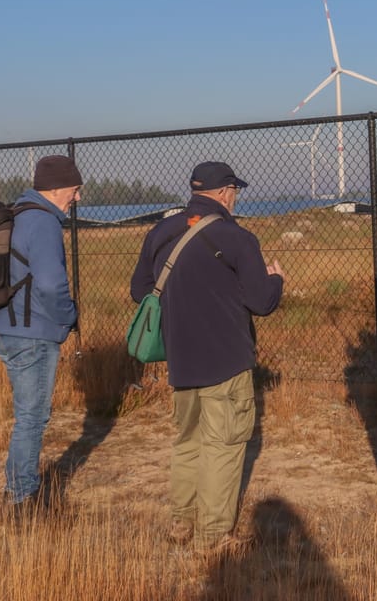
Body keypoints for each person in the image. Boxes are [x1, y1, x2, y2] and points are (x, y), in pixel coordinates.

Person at [130, 161, 284, 551]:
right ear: (226, 191)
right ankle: (213, 537)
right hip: (227, 359)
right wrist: (276, 279)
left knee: (187, 441)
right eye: (235, 192)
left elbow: (140, 290)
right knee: (224, 444)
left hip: (180, 358)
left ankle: (181, 523)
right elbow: (261, 302)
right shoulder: (237, 238)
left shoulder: (162, 231)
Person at [0, 155, 83, 513]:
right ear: (56, 189)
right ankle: (21, 498)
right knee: (32, 418)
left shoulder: (21, 214)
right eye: (74, 190)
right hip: (32, 333)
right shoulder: (43, 222)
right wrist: (69, 317)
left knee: (26, 415)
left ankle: (17, 490)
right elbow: (51, 284)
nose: (77, 198)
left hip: (6, 327)